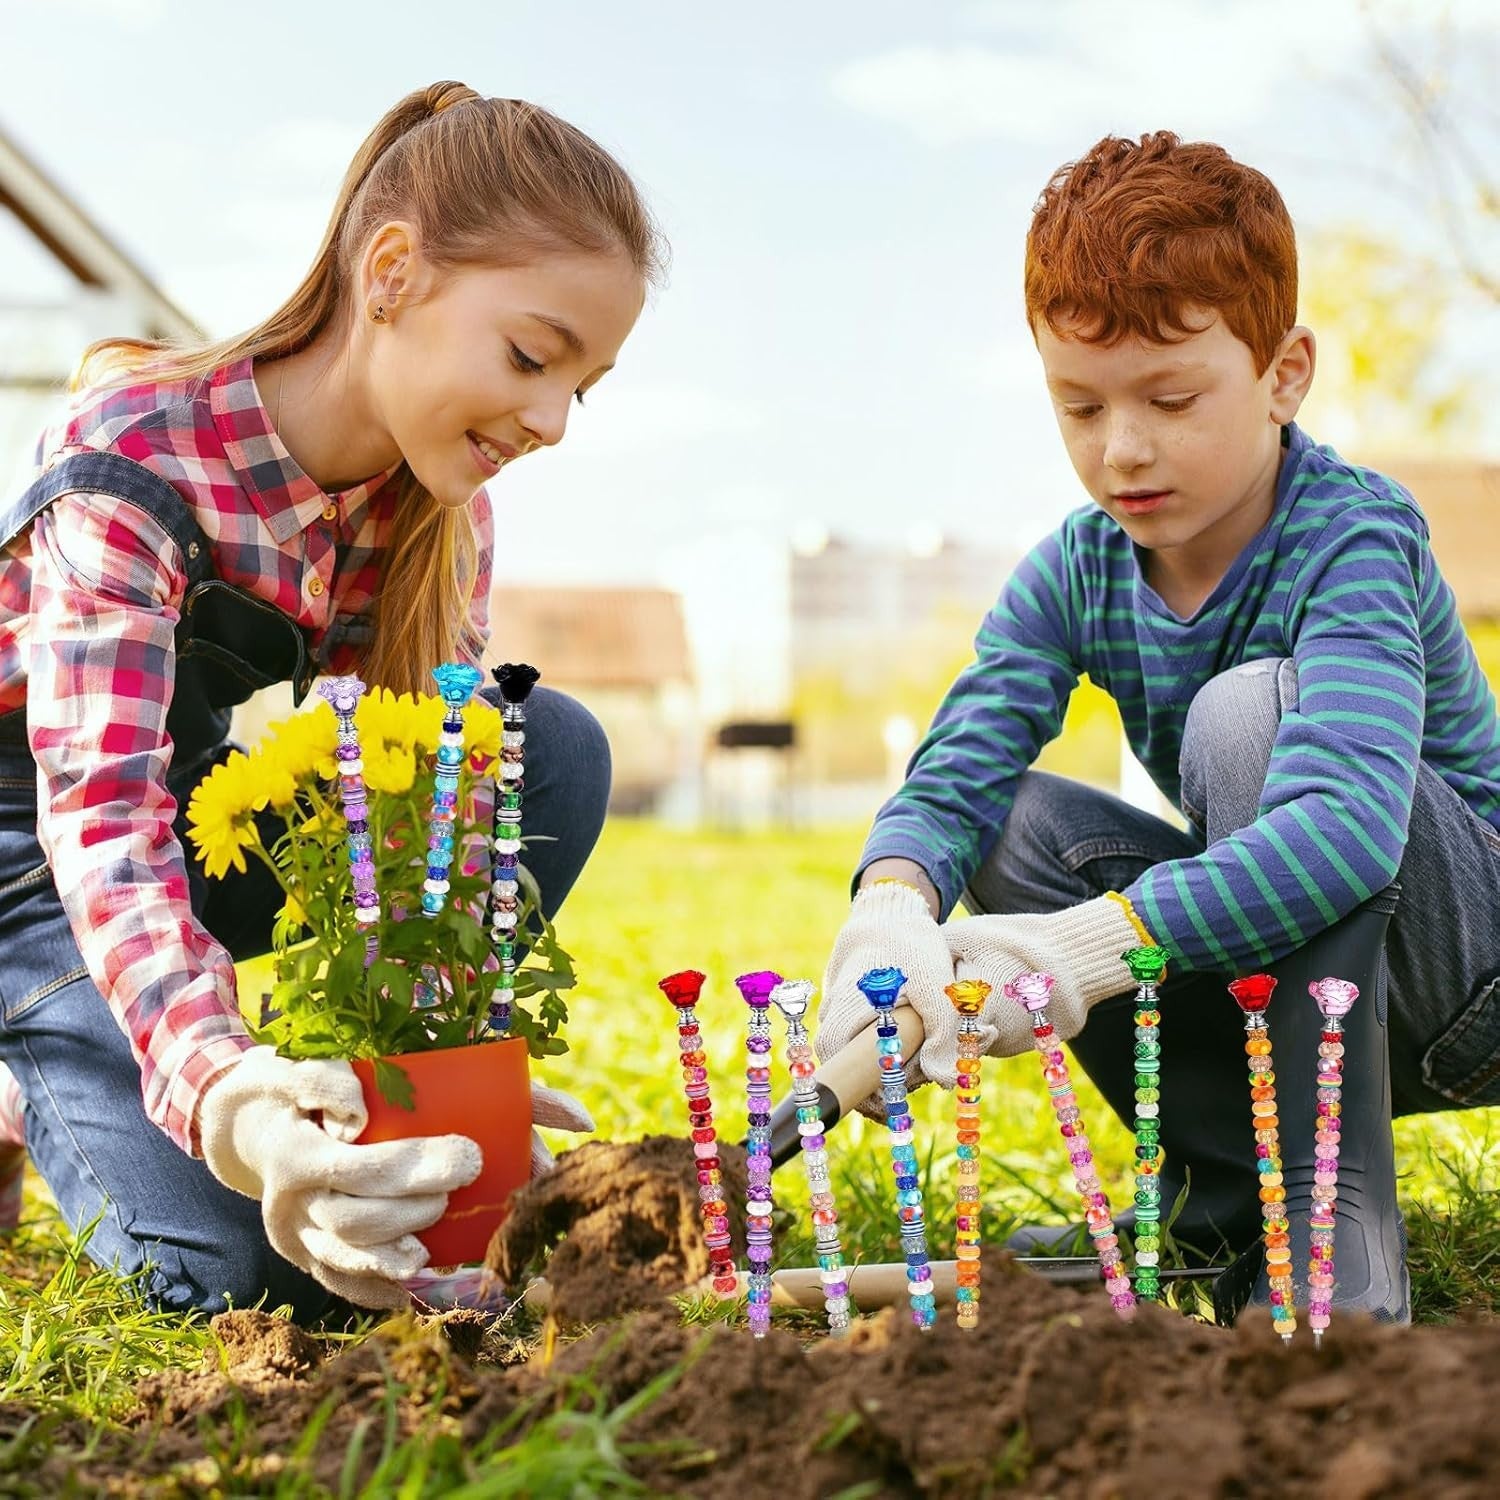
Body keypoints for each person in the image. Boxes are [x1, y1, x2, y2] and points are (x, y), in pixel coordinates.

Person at [0, 81, 662, 1320]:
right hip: (32, 862)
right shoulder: (130, 457)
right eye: (532, 357)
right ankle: (37, 1069)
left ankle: (162, 1057)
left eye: (584, 385)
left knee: (535, 751)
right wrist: (239, 1104)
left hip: (180, 819)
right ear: (393, 274)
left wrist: (429, 1095)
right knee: (247, 1276)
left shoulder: (444, 516)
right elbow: (102, 823)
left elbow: (418, 835)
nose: (553, 420)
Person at [817, 131, 1500, 1325]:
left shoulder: (1352, 536)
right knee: (1013, 820)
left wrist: (1078, 950)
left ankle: (1332, 1227)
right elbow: (961, 765)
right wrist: (890, 910)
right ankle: (1219, 1198)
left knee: (1247, 714)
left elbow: (1342, 834)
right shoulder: (1078, 571)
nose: (1121, 448)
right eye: (1079, 406)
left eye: (1171, 400)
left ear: (1284, 374)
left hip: (1464, 980)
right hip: (1289, 982)